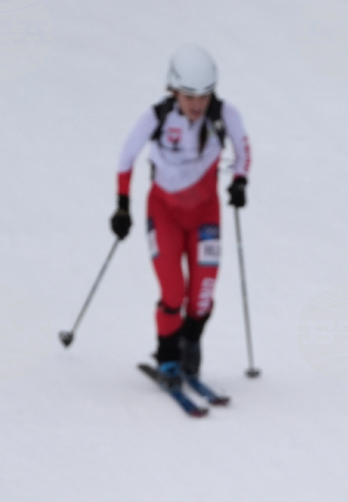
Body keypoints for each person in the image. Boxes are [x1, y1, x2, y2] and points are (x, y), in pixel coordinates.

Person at [110, 44, 250, 389]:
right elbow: (126, 156)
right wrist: (123, 205)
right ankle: (168, 356)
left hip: (205, 217)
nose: (197, 104)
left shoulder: (223, 115)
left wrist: (239, 182)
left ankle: (191, 342)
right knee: (174, 293)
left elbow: (244, 150)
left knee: (201, 295)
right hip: (165, 214)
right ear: (173, 89)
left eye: (204, 95)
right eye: (189, 96)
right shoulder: (158, 117)